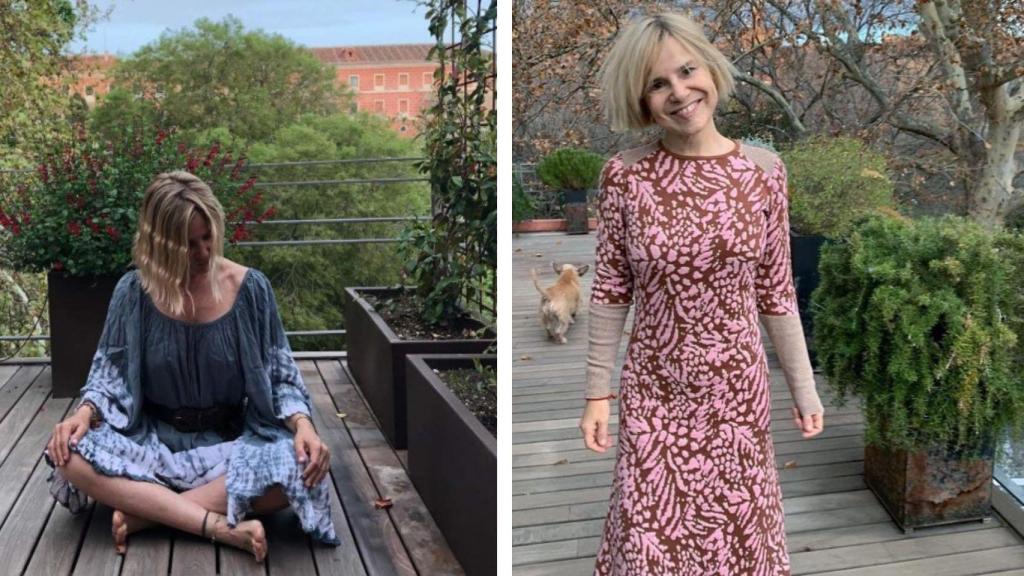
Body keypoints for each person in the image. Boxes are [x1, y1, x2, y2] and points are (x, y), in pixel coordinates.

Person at [578, 12, 825, 575]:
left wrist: (804, 389)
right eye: (658, 84)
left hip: (736, 390)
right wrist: (597, 393)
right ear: (641, 100)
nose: (680, 93)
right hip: (654, 389)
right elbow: (612, 289)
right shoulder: (625, 176)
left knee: (737, 530)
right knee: (651, 533)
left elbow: (777, 289)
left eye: (687, 71)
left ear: (711, 69)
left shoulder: (764, 171)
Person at [44, 171, 338, 561]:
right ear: (159, 245)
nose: (203, 253)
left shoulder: (250, 289)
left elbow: (281, 377)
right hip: (151, 440)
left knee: (302, 466)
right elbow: (108, 373)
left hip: (230, 443)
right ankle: (215, 523)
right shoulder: (133, 293)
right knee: (69, 452)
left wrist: (304, 427)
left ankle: (147, 513)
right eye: (187, 245)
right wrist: (83, 412)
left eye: (207, 237)